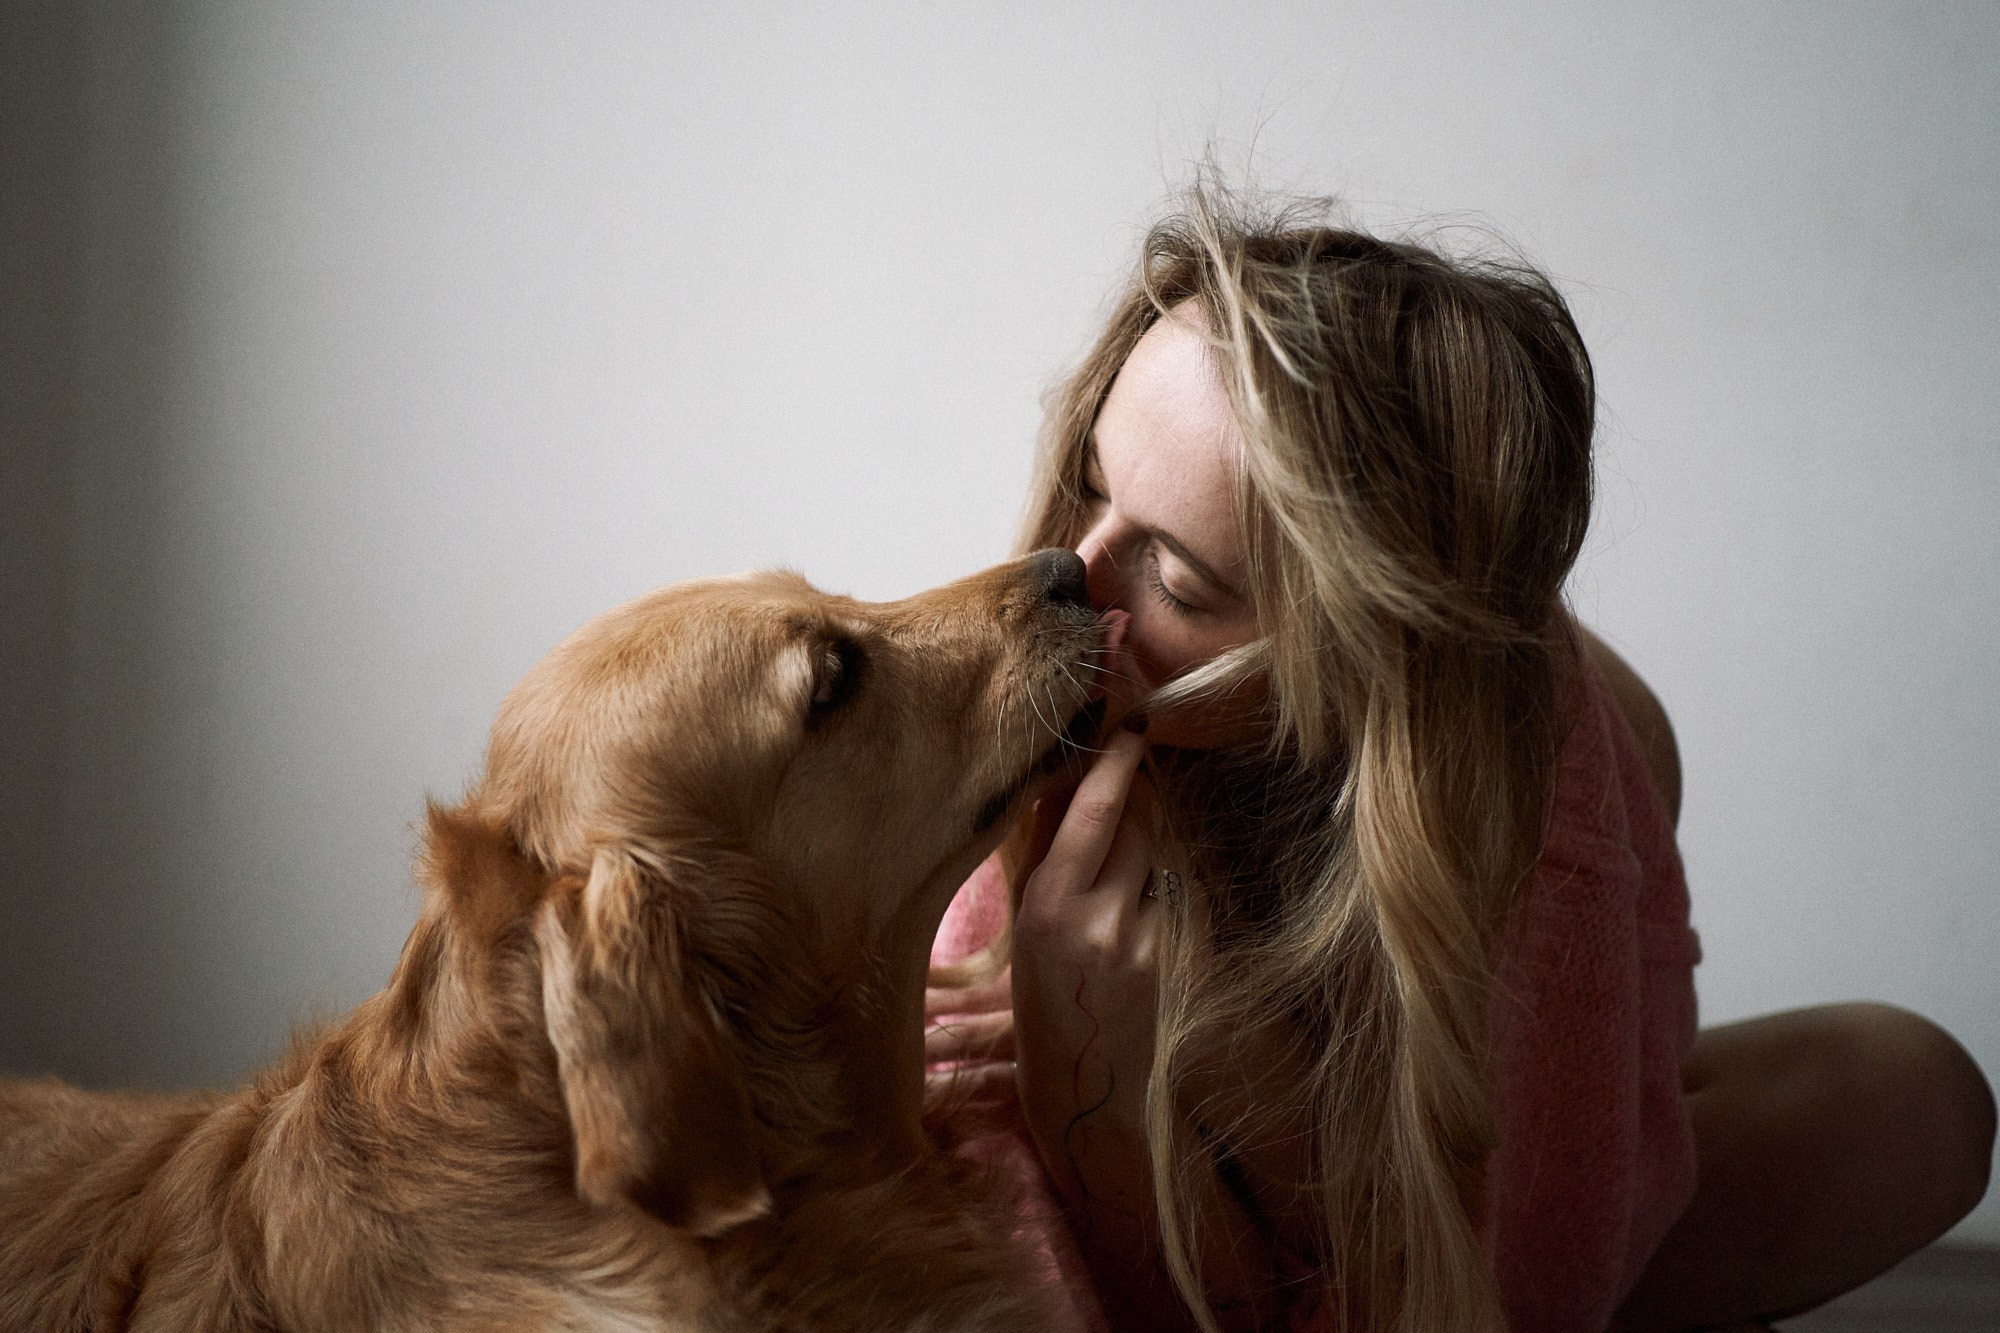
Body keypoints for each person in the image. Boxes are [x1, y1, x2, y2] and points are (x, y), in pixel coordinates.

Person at [923, 185, 1995, 1333]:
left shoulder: (1527, 829)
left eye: (1179, 581)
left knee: (1915, 1094)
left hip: (1465, 1179)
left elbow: (1453, 1293)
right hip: (1389, 1141)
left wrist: (1103, 1101)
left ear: (1365, 659)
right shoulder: (1072, 674)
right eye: (1089, 485)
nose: (1073, 579)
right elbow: (975, 1197)